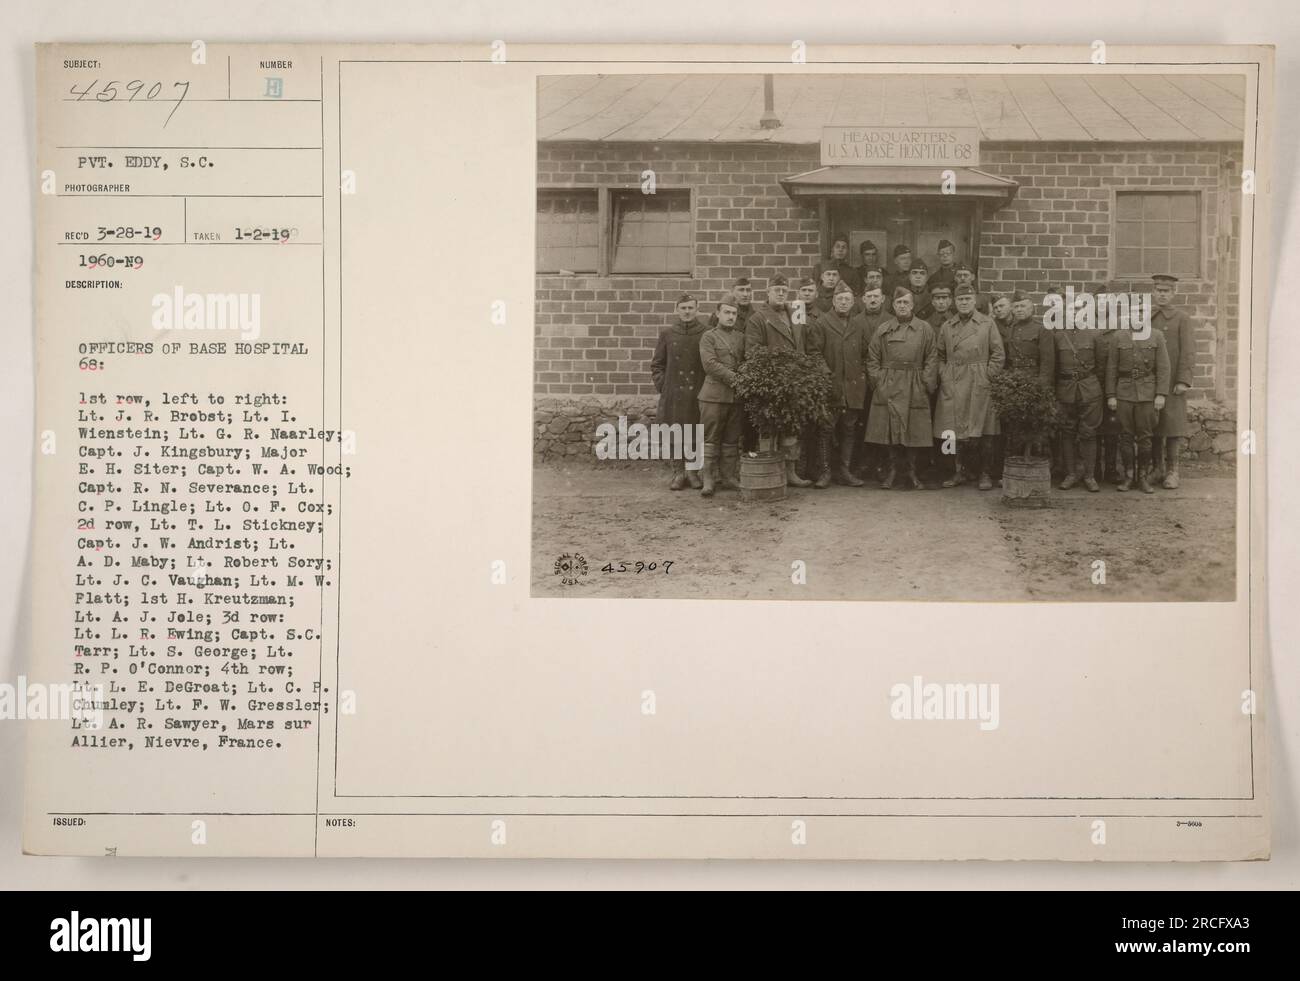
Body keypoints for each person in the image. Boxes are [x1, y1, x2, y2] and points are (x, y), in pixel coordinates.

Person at [933, 283, 1005, 490]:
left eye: (967, 299)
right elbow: (939, 355)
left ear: (974, 301)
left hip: (979, 381)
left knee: (984, 429)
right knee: (952, 430)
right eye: (960, 300)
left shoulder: (986, 323)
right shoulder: (948, 326)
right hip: (954, 381)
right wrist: (945, 374)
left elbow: (998, 354)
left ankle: (984, 473)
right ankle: (958, 471)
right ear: (954, 302)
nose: (964, 303)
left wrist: (987, 375)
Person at [865, 286, 938, 490]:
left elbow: (932, 358)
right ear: (893, 305)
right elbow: (872, 358)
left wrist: (925, 382)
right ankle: (892, 471)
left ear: (913, 305)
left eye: (906, 302)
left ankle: (912, 472)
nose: (903, 306)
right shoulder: (883, 329)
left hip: (915, 383)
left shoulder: (925, 329)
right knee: (890, 430)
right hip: (889, 383)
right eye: (899, 303)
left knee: (914, 429)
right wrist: (878, 381)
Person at [744, 275, 812, 488]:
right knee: (769, 428)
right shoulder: (757, 318)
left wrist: (801, 371)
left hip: (794, 380)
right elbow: (753, 351)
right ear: (768, 292)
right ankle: (769, 472)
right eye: (777, 290)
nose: (781, 293)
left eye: (784, 290)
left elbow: (803, 344)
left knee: (791, 427)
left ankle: (790, 472)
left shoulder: (797, 313)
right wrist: (775, 372)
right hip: (771, 381)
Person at [808, 280, 868, 486]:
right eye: (840, 299)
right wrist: (827, 374)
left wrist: (862, 375)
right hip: (830, 385)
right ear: (833, 301)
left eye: (847, 300)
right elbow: (814, 353)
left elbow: (866, 353)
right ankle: (825, 472)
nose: (843, 303)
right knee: (826, 428)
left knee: (849, 429)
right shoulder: (822, 323)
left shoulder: (858, 325)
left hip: (852, 387)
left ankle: (845, 471)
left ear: (853, 303)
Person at [1105, 312, 1171, 493]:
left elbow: (1164, 367)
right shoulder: (1118, 336)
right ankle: (1128, 475)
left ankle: (1142, 477)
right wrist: (1111, 394)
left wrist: (1161, 394)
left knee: (1145, 437)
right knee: (1125, 436)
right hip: (1124, 393)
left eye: (1142, 314)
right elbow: (1111, 367)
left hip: (1148, 394)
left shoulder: (1156, 335)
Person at [650, 293, 709, 490]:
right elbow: (657, 364)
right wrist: (664, 386)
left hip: (697, 392)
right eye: (683, 308)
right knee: (675, 433)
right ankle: (678, 472)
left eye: (691, 308)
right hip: (674, 393)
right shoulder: (667, 334)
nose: (687, 311)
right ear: (677, 309)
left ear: (697, 309)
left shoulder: (705, 333)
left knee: (695, 432)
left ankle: (692, 473)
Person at [1147, 274, 1198, 489]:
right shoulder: (1148, 317)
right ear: (1153, 292)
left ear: (1174, 293)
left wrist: (1183, 380)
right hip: (1151, 381)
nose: (1162, 294)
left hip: (1172, 383)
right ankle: (1157, 468)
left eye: (1166, 291)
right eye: (1158, 290)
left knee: (1173, 425)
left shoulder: (1181, 318)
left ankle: (1172, 471)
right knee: (1154, 424)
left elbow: (1188, 351)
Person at [1051, 310, 1107, 492]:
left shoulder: (1095, 334)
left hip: (1089, 389)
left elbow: (1101, 365)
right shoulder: (1058, 336)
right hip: (1065, 389)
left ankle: (1089, 476)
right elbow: (1054, 366)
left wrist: (1092, 383)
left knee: (1089, 432)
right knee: (1067, 432)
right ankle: (1071, 474)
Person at [697, 299, 747, 496]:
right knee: (711, 438)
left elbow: (746, 360)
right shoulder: (708, 337)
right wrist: (737, 379)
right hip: (713, 396)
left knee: (731, 439)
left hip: (735, 398)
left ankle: (728, 477)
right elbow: (710, 364)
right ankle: (708, 479)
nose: (730, 317)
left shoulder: (741, 337)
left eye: (734, 313)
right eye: (727, 312)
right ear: (718, 313)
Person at [852, 283, 890, 478]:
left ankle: (883, 464)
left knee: (883, 421)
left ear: (883, 298)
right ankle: (864, 462)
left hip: (886, 377)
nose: (873, 300)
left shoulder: (891, 320)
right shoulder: (855, 321)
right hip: (862, 379)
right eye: (869, 296)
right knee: (863, 421)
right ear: (863, 299)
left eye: (877, 296)